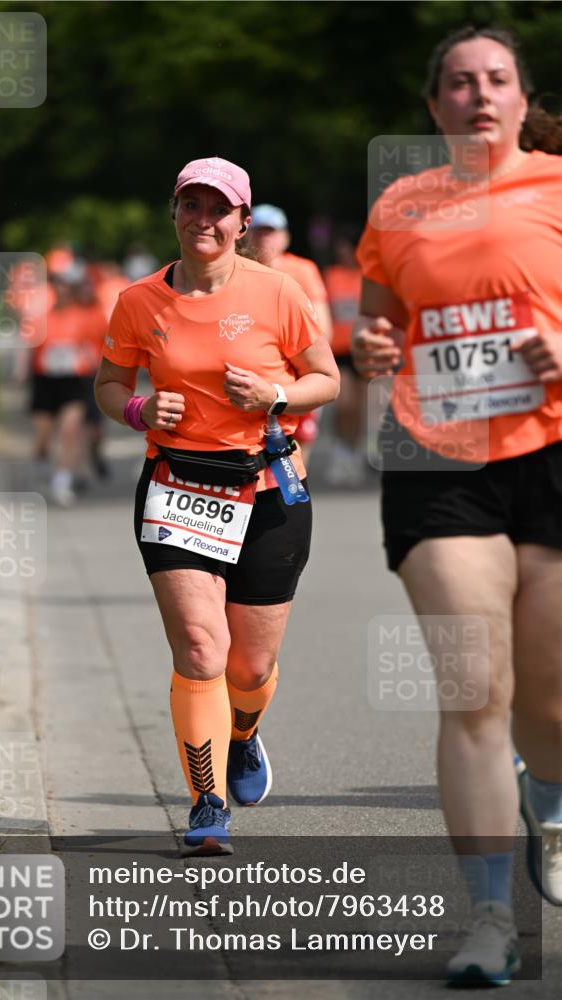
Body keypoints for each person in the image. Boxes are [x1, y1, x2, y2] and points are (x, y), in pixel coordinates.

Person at [351, 25, 562, 986]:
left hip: (550, 450)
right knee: (474, 690)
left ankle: (548, 801)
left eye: (496, 79)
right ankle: (489, 917)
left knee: (546, 699)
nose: (479, 94)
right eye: (460, 82)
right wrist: (372, 350)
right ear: (433, 105)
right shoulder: (399, 206)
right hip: (437, 456)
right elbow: (379, 325)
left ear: (521, 98)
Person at [95, 157, 339, 856]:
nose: (203, 220)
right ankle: (206, 803)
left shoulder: (279, 292)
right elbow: (109, 385)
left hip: (266, 491)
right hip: (177, 488)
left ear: (242, 221)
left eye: (218, 209)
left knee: (249, 669)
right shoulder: (138, 301)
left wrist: (275, 396)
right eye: (190, 205)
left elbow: (326, 380)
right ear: (174, 212)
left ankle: (244, 732)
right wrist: (139, 410)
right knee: (202, 649)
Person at [246, 203, 333, 465]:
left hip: (297, 372)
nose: (265, 238)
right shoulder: (237, 270)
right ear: (246, 234)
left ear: (285, 237)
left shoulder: (303, 270)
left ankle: (293, 486)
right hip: (255, 370)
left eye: (271, 232)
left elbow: (322, 324)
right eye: (259, 231)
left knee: (299, 441)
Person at [28, 263, 107, 506]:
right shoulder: (42, 318)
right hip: (45, 381)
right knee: (42, 438)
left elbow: (94, 346)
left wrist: (93, 363)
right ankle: (43, 462)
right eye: (58, 286)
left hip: (74, 381)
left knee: (70, 431)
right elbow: (32, 348)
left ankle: (63, 481)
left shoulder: (83, 317)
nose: (62, 291)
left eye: (66, 287)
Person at [323, 232, 367, 485]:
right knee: (345, 404)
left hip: (360, 349)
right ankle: (340, 450)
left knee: (358, 407)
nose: (343, 254)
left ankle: (354, 451)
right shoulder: (331, 275)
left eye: (346, 249)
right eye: (339, 250)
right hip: (338, 349)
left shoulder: (367, 276)